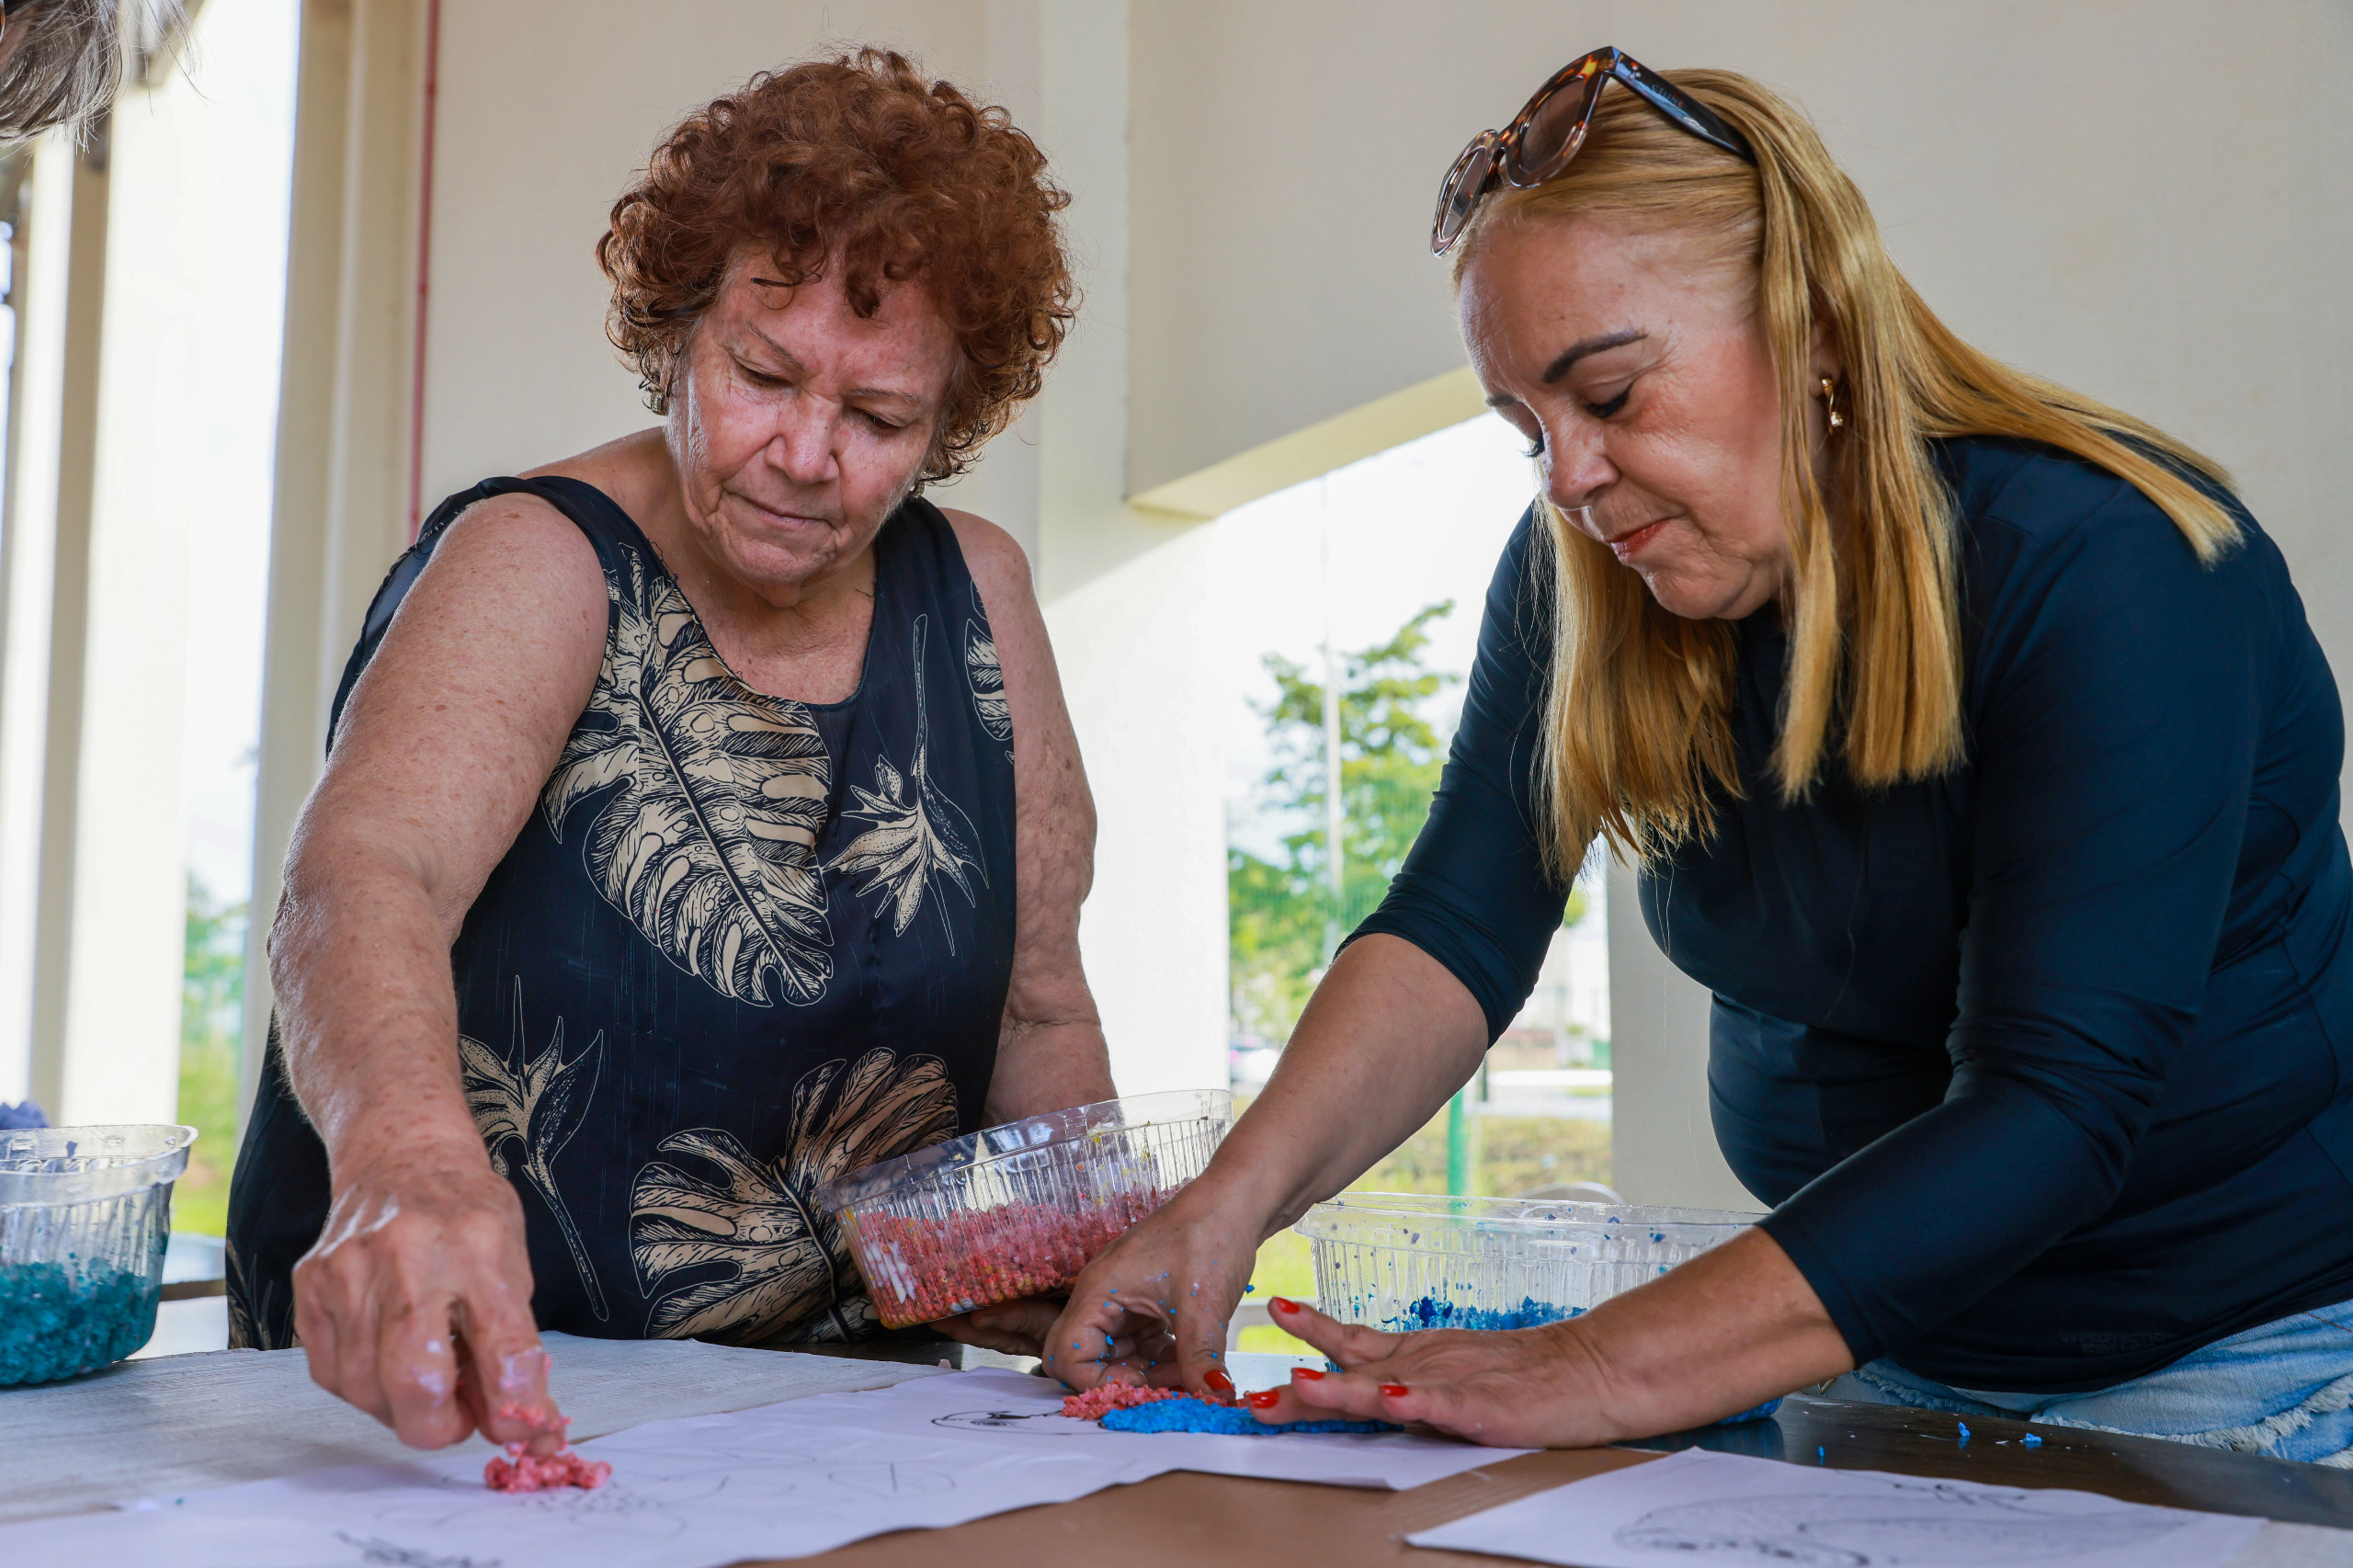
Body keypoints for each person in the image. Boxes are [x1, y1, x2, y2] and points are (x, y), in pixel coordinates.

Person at [1007, 50, 2353, 1462]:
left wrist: (1592, 1363)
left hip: (2256, 1366)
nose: (1570, 480)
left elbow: (2052, 1109)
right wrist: (1227, 1205)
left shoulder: (2109, 566)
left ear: (1816, 324)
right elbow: (1458, 928)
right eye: (1529, 428)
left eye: (1611, 398)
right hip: (1888, 1358)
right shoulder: (1577, 583)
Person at [225, 48, 1115, 1454]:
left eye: (881, 417)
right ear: (679, 332)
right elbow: (360, 875)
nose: (807, 452)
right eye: (762, 374)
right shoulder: (541, 559)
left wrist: (1080, 1270)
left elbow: (1039, 1012)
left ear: (949, 423)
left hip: (846, 1429)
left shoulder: (981, 601)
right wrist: (403, 1163)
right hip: (460, 1402)